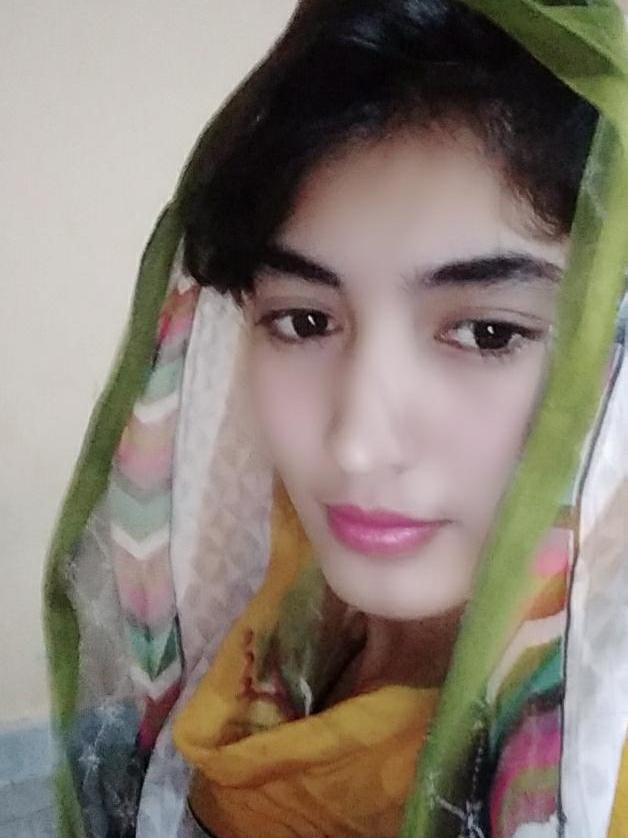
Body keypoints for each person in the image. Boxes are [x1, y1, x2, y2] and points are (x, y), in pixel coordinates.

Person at [43, 1, 628, 837]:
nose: (355, 445)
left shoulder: (594, 776)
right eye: (304, 321)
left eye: (488, 333)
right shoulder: (286, 609)